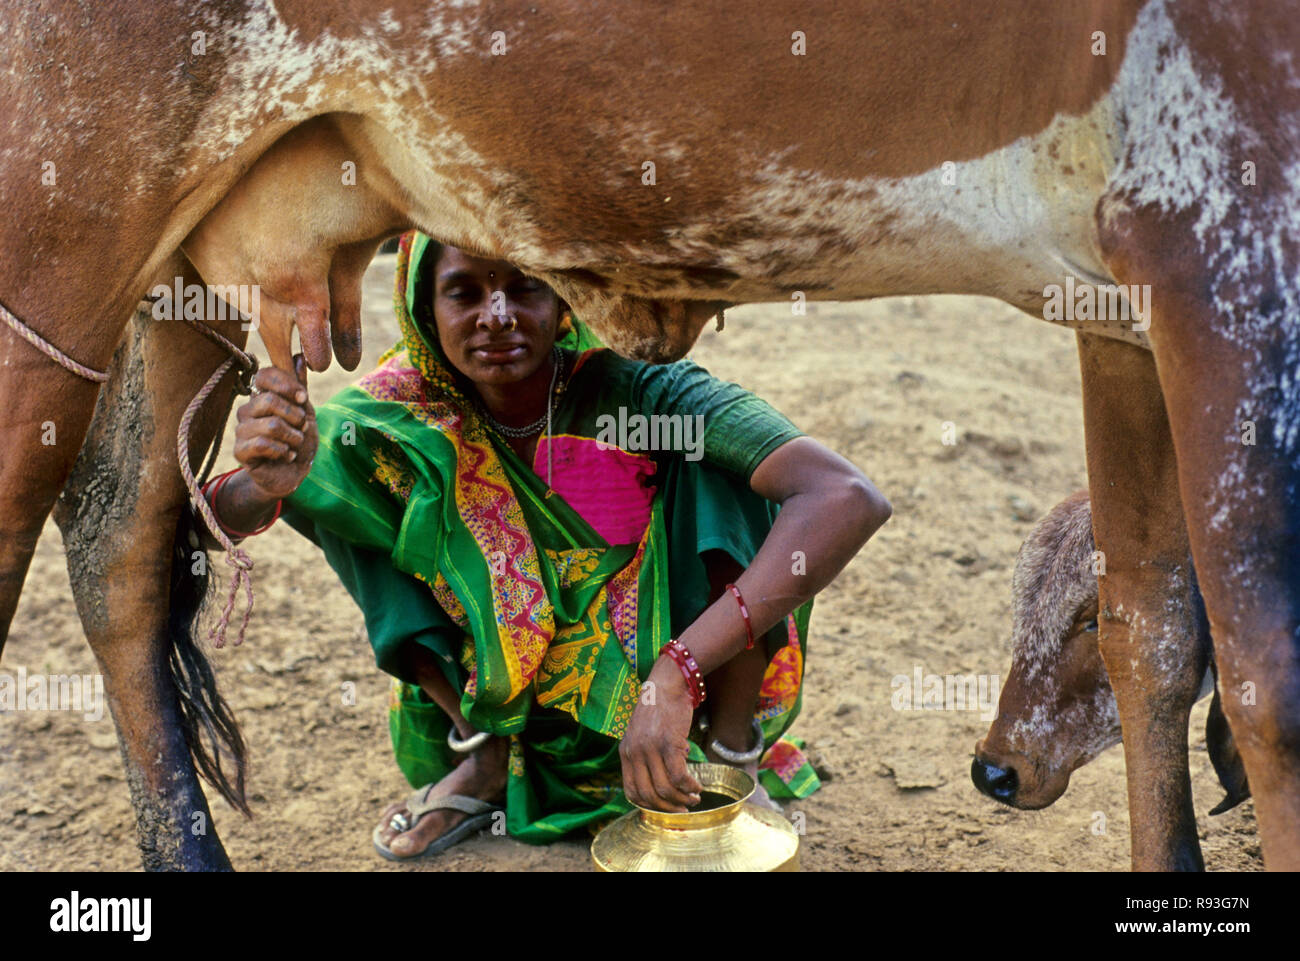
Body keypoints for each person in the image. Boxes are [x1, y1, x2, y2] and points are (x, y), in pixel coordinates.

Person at [202, 231, 890, 860]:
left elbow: (846, 496)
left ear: (565, 301)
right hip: (511, 706)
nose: (497, 316)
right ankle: (485, 758)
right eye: (464, 293)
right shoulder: (396, 411)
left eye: (525, 286)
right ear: (424, 312)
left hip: (671, 705)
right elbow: (213, 516)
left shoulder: (642, 388)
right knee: (354, 472)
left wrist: (677, 672)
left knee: (723, 467)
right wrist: (264, 483)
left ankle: (731, 756)